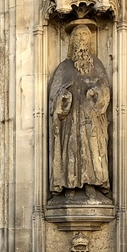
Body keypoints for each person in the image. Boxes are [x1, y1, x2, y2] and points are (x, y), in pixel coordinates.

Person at [49, 22, 111, 198]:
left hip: (91, 119)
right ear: (72, 41)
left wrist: (97, 92)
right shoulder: (64, 67)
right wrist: (63, 98)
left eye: (85, 35)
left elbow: (105, 88)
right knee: (71, 149)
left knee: (92, 149)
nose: (81, 39)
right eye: (78, 36)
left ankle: (92, 184)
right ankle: (69, 186)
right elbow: (54, 94)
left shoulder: (96, 65)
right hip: (70, 120)